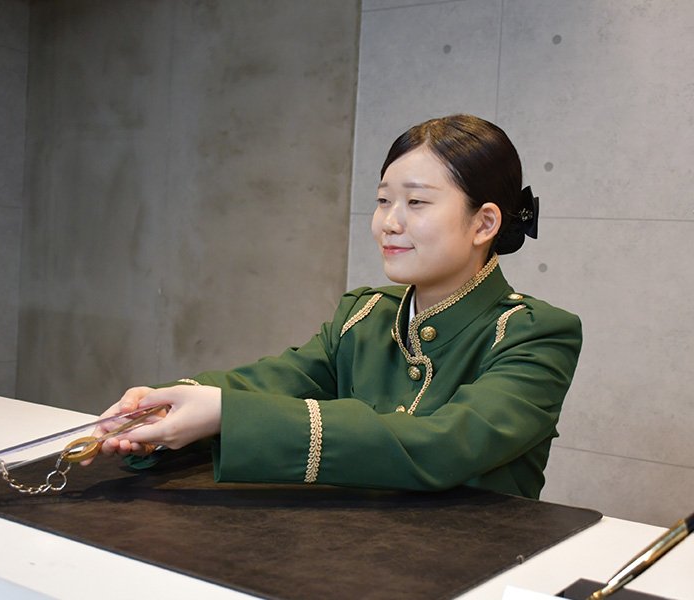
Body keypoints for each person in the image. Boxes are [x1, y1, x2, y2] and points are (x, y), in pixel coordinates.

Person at [90, 114, 582, 500]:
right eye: (383, 200)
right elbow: (274, 381)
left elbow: (445, 445)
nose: (388, 223)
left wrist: (224, 413)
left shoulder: (534, 333)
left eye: (416, 203)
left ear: (484, 223)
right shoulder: (364, 316)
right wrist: (166, 406)